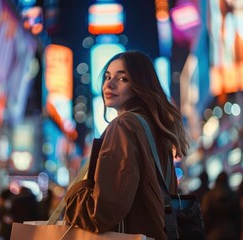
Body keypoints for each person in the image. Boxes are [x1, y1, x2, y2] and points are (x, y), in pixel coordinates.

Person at [63, 50, 189, 239]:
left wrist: (74, 193)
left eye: (123, 79)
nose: (109, 84)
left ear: (140, 86)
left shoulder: (124, 126)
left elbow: (100, 214)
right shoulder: (155, 130)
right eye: (107, 76)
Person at [201, 171, 242, 240]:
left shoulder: (208, 197)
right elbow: (238, 217)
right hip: (231, 232)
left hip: (213, 233)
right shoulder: (234, 196)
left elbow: (205, 217)